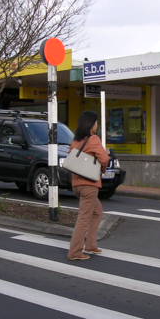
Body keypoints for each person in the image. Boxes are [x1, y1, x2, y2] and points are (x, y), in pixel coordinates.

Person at [67, 111, 111, 261]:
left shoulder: (76, 140)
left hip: (77, 184)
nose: (97, 125)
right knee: (84, 218)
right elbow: (104, 159)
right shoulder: (93, 139)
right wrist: (102, 169)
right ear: (91, 124)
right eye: (96, 122)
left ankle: (91, 244)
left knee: (97, 212)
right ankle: (75, 252)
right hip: (89, 185)